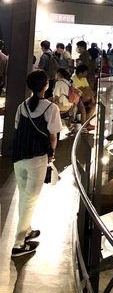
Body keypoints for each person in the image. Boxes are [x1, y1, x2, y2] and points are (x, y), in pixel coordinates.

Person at [11, 70, 62, 257]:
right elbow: (53, 136)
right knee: (30, 200)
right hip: (37, 158)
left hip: (19, 157)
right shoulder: (51, 108)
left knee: (24, 195)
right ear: (46, 86)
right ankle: (18, 244)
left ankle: (27, 229)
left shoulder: (22, 106)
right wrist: (52, 154)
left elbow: (18, 128)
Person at [71, 64, 96, 128]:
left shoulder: (83, 78)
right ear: (80, 73)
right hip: (76, 98)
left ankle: (86, 123)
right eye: (85, 72)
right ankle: (84, 125)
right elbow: (80, 90)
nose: (87, 73)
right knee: (84, 108)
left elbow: (88, 88)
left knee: (93, 105)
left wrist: (92, 97)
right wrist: (88, 94)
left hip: (84, 97)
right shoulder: (73, 78)